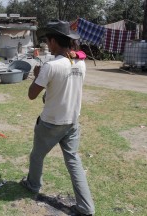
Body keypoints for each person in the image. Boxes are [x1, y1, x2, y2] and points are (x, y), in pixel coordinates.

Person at [20, 20, 95, 216]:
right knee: (73, 161)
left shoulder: (50, 66)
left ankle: (33, 185)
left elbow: (31, 95)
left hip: (51, 123)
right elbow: (57, 93)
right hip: (72, 122)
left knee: (37, 155)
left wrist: (37, 76)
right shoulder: (80, 64)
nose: (46, 44)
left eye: (47, 41)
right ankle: (86, 207)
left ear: (54, 41)